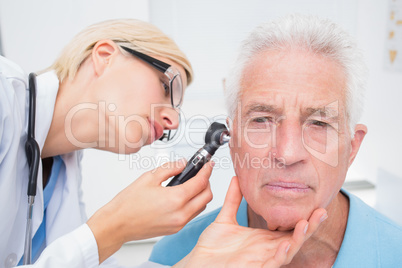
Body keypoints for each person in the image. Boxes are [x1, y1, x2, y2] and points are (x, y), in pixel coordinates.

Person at [0, 18, 325, 268]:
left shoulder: (64, 172)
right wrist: (113, 227)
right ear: (105, 56)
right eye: (167, 86)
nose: (172, 120)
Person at [149, 14, 402, 267]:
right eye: (261, 120)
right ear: (232, 139)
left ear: (352, 148)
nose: (288, 153)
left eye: (319, 123)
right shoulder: (175, 257)